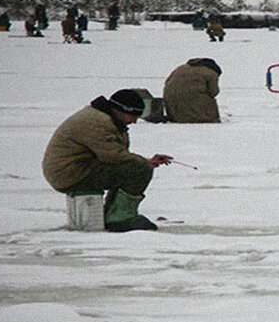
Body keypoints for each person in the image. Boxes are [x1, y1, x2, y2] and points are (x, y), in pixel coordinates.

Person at [42, 89, 172, 231]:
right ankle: (119, 218)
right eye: (133, 116)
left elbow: (114, 154)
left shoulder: (103, 118)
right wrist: (145, 163)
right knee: (140, 169)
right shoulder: (98, 122)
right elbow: (113, 156)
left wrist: (146, 161)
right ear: (120, 110)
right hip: (70, 174)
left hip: (74, 169)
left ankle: (113, 215)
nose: (134, 121)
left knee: (136, 166)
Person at [163, 58, 221, 123]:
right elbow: (213, 92)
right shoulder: (212, 73)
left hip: (172, 105)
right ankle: (201, 117)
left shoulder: (180, 68)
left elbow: (167, 82)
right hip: (193, 103)